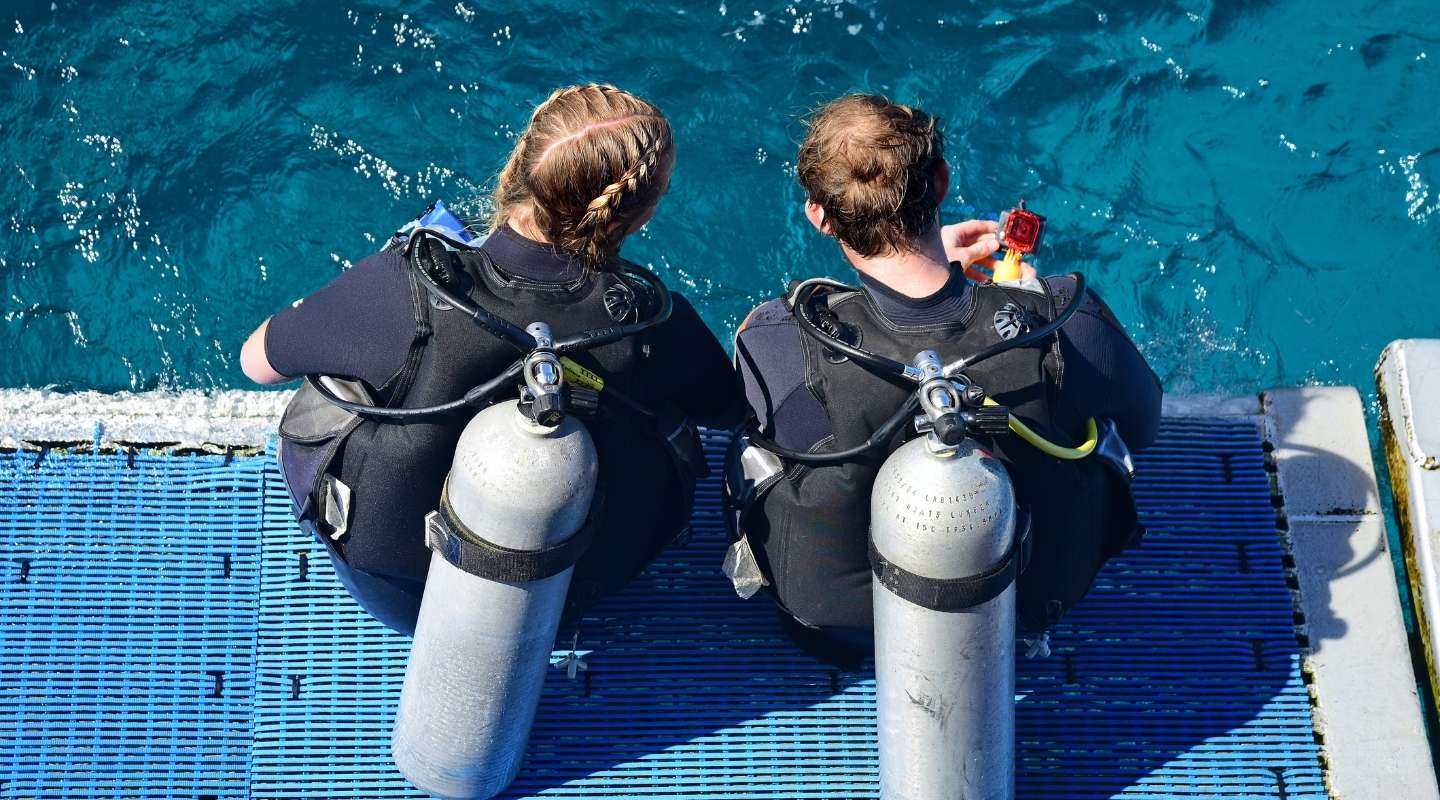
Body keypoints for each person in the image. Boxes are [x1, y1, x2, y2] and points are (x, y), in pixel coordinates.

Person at [240, 84, 746, 635]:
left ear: (520, 165)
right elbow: (729, 409)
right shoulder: (651, 320)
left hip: (401, 591)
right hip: (578, 586)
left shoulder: (409, 288)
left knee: (334, 384)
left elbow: (256, 363)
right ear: (631, 219)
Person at [728, 94, 1162, 665]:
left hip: (840, 630)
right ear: (941, 180)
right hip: (1029, 602)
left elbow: (736, 393)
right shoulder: (1063, 322)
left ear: (819, 215)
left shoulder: (779, 337)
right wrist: (1016, 302)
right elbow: (1144, 420)